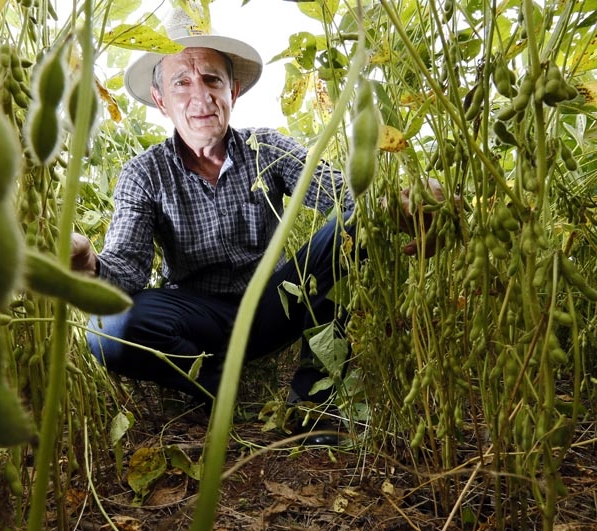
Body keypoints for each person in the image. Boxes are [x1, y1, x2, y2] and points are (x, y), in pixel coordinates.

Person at [70, 11, 444, 415]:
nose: (201, 96)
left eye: (213, 79)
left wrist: (399, 204)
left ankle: (314, 405)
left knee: (350, 227)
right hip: (195, 317)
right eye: (181, 82)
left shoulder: (267, 148)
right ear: (161, 100)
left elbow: (343, 196)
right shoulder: (144, 173)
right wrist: (89, 263)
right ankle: (221, 394)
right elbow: (126, 270)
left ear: (235, 90)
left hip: (273, 307)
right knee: (110, 329)